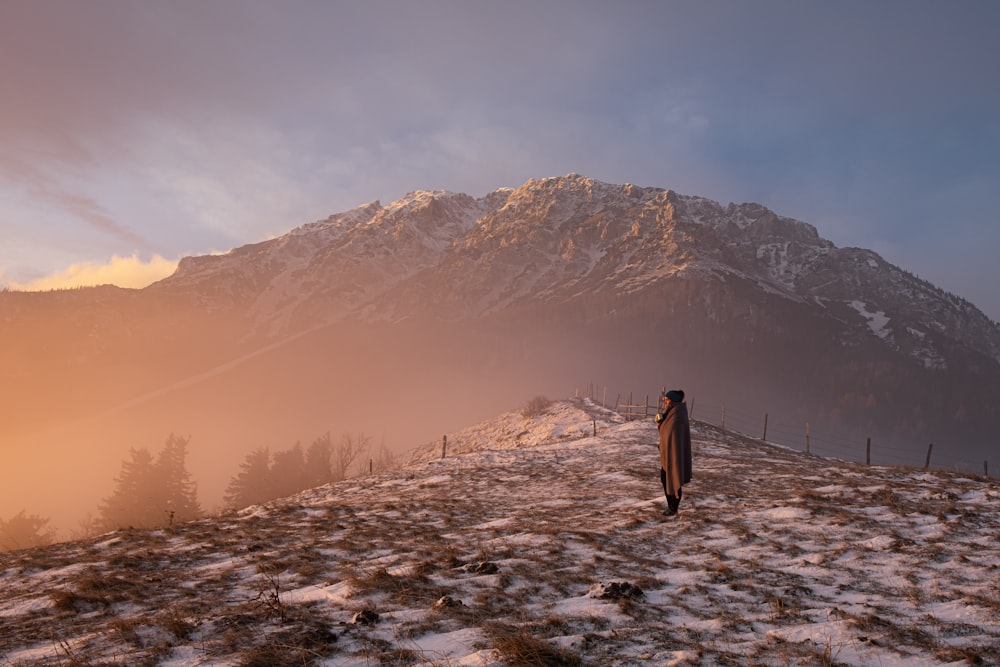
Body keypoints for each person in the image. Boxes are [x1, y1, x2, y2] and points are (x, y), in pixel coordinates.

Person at [655, 389, 692, 516]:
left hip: (674, 454)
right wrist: (661, 423)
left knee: (673, 478)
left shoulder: (677, 414)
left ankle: (673, 508)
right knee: (665, 478)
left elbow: (673, 434)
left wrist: (663, 423)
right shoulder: (671, 412)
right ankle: (671, 506)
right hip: (668, 454)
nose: (665, 402)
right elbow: (665, 431)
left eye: (667, 400)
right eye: (665, 400)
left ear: (673, 400)